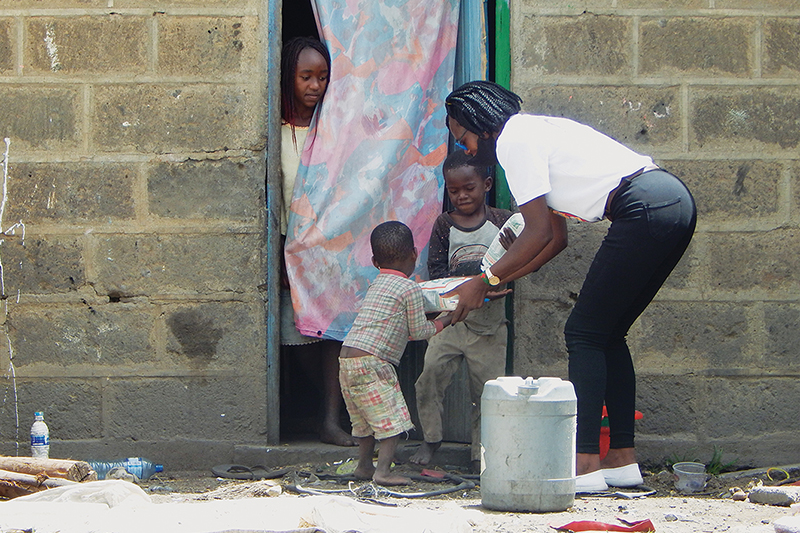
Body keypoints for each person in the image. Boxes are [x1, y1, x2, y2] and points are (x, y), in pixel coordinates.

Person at [442, 81, 696, 492]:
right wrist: (494, 282)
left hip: (644, 207)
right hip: (672, 202)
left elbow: (537, 232)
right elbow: (555, 238)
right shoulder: (532, 133)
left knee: (583, 334)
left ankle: (584, 464)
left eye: (464, 137)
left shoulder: (513, 142)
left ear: (484, 126)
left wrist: (484, 279)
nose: (466, 148)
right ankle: (621, 461)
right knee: (607, 335)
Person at [409, 150, 513, 473]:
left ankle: (480, 453)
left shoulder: (502, 222)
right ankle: (432, 439)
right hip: (451, 321)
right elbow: (437, 270)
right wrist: (456, 291)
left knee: (488, 391)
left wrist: (497, 286)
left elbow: (517, 264)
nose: (462, 196)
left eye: (469, 188)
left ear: (486, 184)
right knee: (428, 378)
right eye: (454, 191)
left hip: (490, 326)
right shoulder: (444, 224)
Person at [339, 221, 454, 485]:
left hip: (348, 359)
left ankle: (364, 466)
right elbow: (418, 331)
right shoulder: (409, 288)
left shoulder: (377, 283)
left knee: (364, 421)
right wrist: (448, 319)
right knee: (392, 420)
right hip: (374, 362)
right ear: (414, 253)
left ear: (374, 260)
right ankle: (383, 472)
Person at [280, 36, 354, 446]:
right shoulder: (276, 131)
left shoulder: (336, 129)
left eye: (323, 77)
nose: (315, 86)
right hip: (290, 249)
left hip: (332, 249)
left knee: (333, 333)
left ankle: (330, 418)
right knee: (297, 335)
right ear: (288, 78)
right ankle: (311, 411)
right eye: (305, 76)